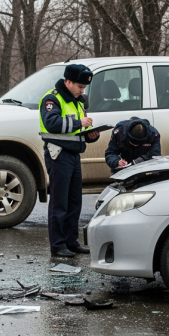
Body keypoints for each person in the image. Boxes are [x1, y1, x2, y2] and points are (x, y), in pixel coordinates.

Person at [40, 64, 100, 257]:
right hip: (58, 154)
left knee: (75, 202)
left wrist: (91, 135)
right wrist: (78, 123)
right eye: (80, 87)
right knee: (59, 203)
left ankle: (71, 242)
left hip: (74, 154)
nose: (83, 91)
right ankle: (58, 245)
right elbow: (52, 123)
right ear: (68, 82)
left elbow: (78, 130)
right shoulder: (52, 99)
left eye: (84, 88)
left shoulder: (78, 101)